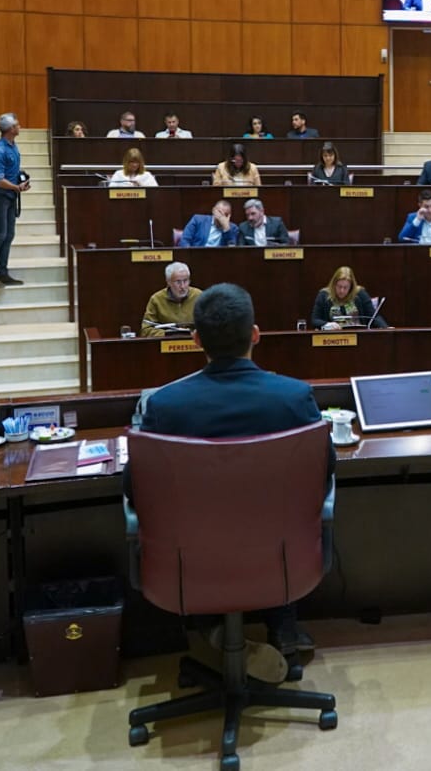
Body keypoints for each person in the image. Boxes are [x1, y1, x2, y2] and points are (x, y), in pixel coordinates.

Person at [132, 282, 329, 660]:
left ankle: (211, 634)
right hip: (284, 559)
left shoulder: (164, 406)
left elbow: (137, 488)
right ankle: (281, 626)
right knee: (271, 520)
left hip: (188, 565)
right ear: (255, 335)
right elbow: (324, 474)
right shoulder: (295, 397)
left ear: (195, 340)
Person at [0, 112, 28, 288]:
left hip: (8, 195)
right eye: (17, 125)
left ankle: (3, 272)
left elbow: (11, 171)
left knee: (9, 235)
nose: (19, 127)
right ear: (10, 129)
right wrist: (16, 187)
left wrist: (21, 179)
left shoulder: (13, 146)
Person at [312, 267, 387, 329]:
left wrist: (385, 328)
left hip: (359, 336)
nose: (342, 290)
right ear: (333, 284)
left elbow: (373, 317)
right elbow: (315, 320)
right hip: (332, 339)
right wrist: (327, 324)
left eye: (345, 287)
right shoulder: (324, 295)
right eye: (339, 286)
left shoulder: (360, 293)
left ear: (351, 286)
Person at [140, 262, 198, 337]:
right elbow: (146, 330)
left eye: (185, 281)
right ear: (168, 282)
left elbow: (210, 325)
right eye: (178, 282)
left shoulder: (199, 296)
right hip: (166, 343)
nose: (183, 286)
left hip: (194, 343)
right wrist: (168, 334)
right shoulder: (157, 299)